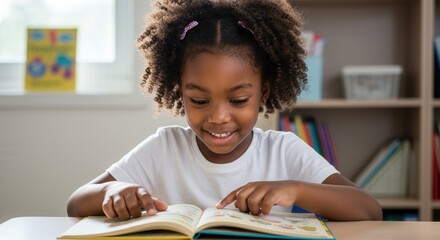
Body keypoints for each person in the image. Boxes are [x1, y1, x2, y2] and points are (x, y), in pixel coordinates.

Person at [67, 0, 382, 221]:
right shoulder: (164, 148)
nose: (218, 117)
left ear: (263, 93)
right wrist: (116, 190)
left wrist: (295, 189)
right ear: (180, 93)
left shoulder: (283, 150)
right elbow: (76, 203)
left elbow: (368, 209)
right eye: (200, 101)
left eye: (238, 100)